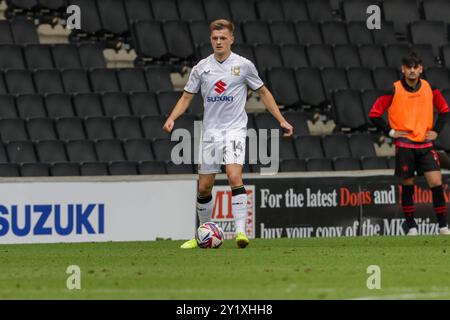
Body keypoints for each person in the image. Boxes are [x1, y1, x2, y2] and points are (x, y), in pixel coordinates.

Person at [162, 19, 293, 248]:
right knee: (204, 186)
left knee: (233, 175)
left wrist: (281, 120)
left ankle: (241, 232)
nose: (219, 42)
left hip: (234, 130)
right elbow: (186, 97)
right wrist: (172, 118)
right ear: (210, 40)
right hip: (210, 132)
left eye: (223, 38)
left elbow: (263, 92)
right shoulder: (202, 68)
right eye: (215, 38)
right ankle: (202, 233)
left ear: (232, 39)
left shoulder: (243, 66)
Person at [369, 52, 450, 235]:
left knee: (436, 182)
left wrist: (436, 130)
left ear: (420, 69)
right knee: (408, 185)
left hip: (425, 145)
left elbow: (444, 110)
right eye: (409, 67)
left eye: (415, 67)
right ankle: (411, 226)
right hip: (405, 144)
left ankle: (443, 226)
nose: (412, 71)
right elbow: (374, 113)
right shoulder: (394, 89)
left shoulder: (430, 88)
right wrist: (390, 131)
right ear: (403, 69)